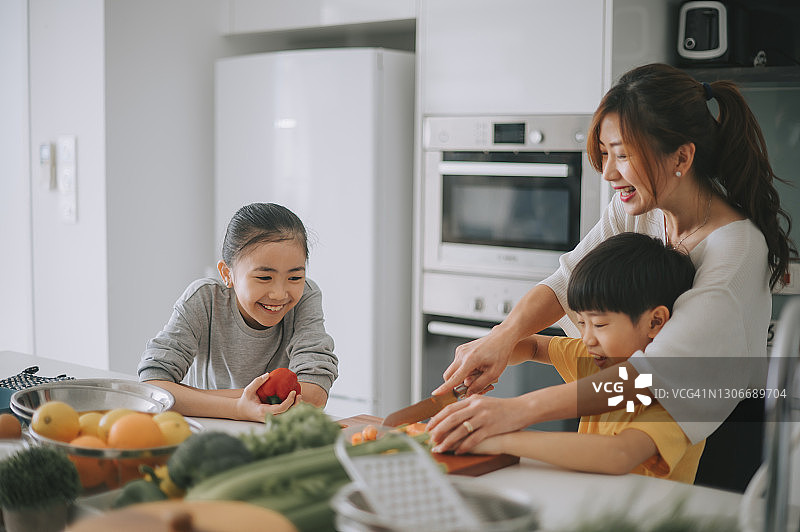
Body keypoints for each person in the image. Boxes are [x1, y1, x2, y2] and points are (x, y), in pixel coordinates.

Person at [428, 63, 796, 453]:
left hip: (705, 433)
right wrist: (502, 338)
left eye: (622, 155)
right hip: (628, 405)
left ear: (681, 158)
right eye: (604, 154)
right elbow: (566, 283)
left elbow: (651, 377)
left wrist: (515, 413)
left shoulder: (735, 254)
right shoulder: (640, 209)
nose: (607, 173)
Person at [452, 232, 703, 482]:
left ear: (655, 321)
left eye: (600, 325)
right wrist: (496, 351)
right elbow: (535, 347)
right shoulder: (597, 358)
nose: (587, 339)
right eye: (582, 323)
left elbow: (619, 454)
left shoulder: (679, 391)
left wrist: (500, 440)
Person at [138, 203, 338, 422]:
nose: (280, 294)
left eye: (295, 278)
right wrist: (238, 408)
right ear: (227, 273)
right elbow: (152, 386)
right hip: (211, 430)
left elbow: (315, 394)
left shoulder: (306, 297)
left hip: (273, 436)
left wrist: (192, 396)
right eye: (264, 278)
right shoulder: (204, 299)